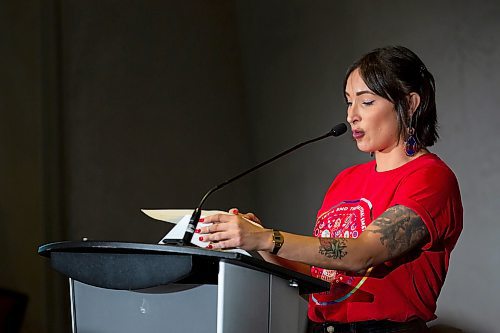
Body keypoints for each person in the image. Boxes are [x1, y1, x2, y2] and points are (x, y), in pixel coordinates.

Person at [196, 46, 463, 333]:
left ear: (410, 104)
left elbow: (361, 254)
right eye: (348, 103)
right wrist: (256, 240)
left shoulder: (431, 178)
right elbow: (320, 274)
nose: (352, 116)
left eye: (366, 102)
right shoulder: (345, 180)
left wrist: (265, 238)